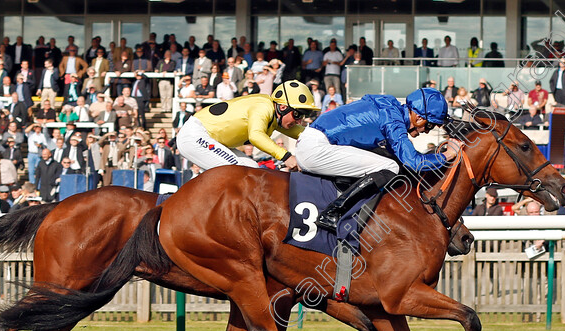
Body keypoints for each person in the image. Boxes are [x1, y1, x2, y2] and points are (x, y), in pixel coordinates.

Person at [294, 87, 461, 231]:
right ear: (419, 118)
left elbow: (403, 158)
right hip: (316, 148)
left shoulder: (391, 109)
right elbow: (414, 162)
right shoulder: (393, 121)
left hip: (313, 141)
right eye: (430, 125)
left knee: (389, 161)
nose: (426, 131)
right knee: (390, 167)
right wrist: (448, 155)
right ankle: (333, 212)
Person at [175, 81, 318, 172]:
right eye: (298, 114)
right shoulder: (263, 107)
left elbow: (305, 133)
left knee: (252, 169)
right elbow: (256, 136)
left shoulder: (277, 116)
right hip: (195, 135)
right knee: (239, 173)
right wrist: (286, 157)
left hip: (210, 139)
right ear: (282, 107)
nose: (299, 121)